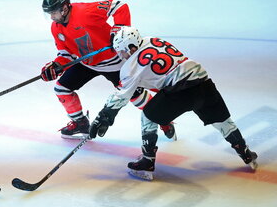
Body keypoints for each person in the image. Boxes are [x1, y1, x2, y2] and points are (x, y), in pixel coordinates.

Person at [89, 26, 258, 180]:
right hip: (204, 82)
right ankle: (245, 153)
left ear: (130, 48)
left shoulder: (130, 68)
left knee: (148, 115)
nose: (121, 56)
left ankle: (147, 162)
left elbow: (122, 96)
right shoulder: (154, 40)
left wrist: (104, 116)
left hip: (181, 91)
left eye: (122, 52)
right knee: (222, 121)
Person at [40, 0, 176, 140]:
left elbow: (119, 6)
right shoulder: (56, 27)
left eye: (53, 12)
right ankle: (80, 123)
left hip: (114, 63)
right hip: (87, 62)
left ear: (64, 8)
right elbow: (66, 52)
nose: (51, 17)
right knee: (61, 89)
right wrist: (57, 65)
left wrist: (119, 29)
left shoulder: (85, 12)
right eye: (49, 14)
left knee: (136, 97)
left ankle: (163, 119)